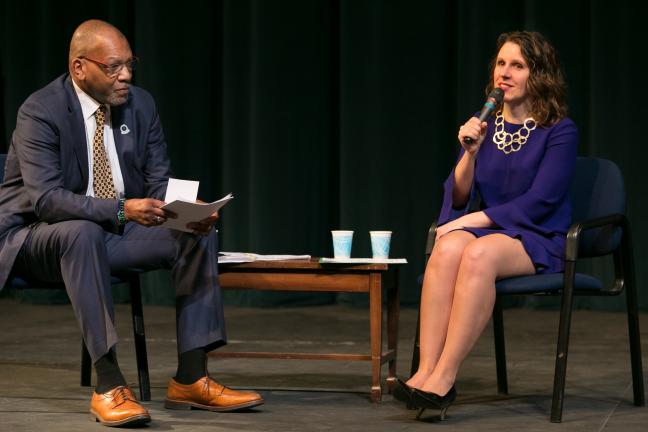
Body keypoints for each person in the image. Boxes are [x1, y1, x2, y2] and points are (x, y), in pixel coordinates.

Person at [0, 19, 263, 427]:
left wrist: (186, 206)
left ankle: (192, 378)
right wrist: (123, 210)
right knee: (81, 232)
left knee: (193, 232)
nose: (126, 75)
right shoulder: (40, 110)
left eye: (130, 64)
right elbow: (48, 201)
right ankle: (108, 384)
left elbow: (158, 180)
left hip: (112, 236)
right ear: (79, 68)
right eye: (114, 66)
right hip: (37, 239)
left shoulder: (140, 104)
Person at [393, 31, 578, 419]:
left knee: (475, 250)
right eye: (500, 63)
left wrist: (472, 221)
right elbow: (459, 197)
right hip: (495, 233)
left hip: (540, 236)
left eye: (517, 65)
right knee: (446, 246)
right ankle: (425, 370)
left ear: (538, 74)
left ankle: (445, 376)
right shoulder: (487, 126)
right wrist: (469, 154)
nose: (504, 73)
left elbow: (541, 201)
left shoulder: (559, 131)